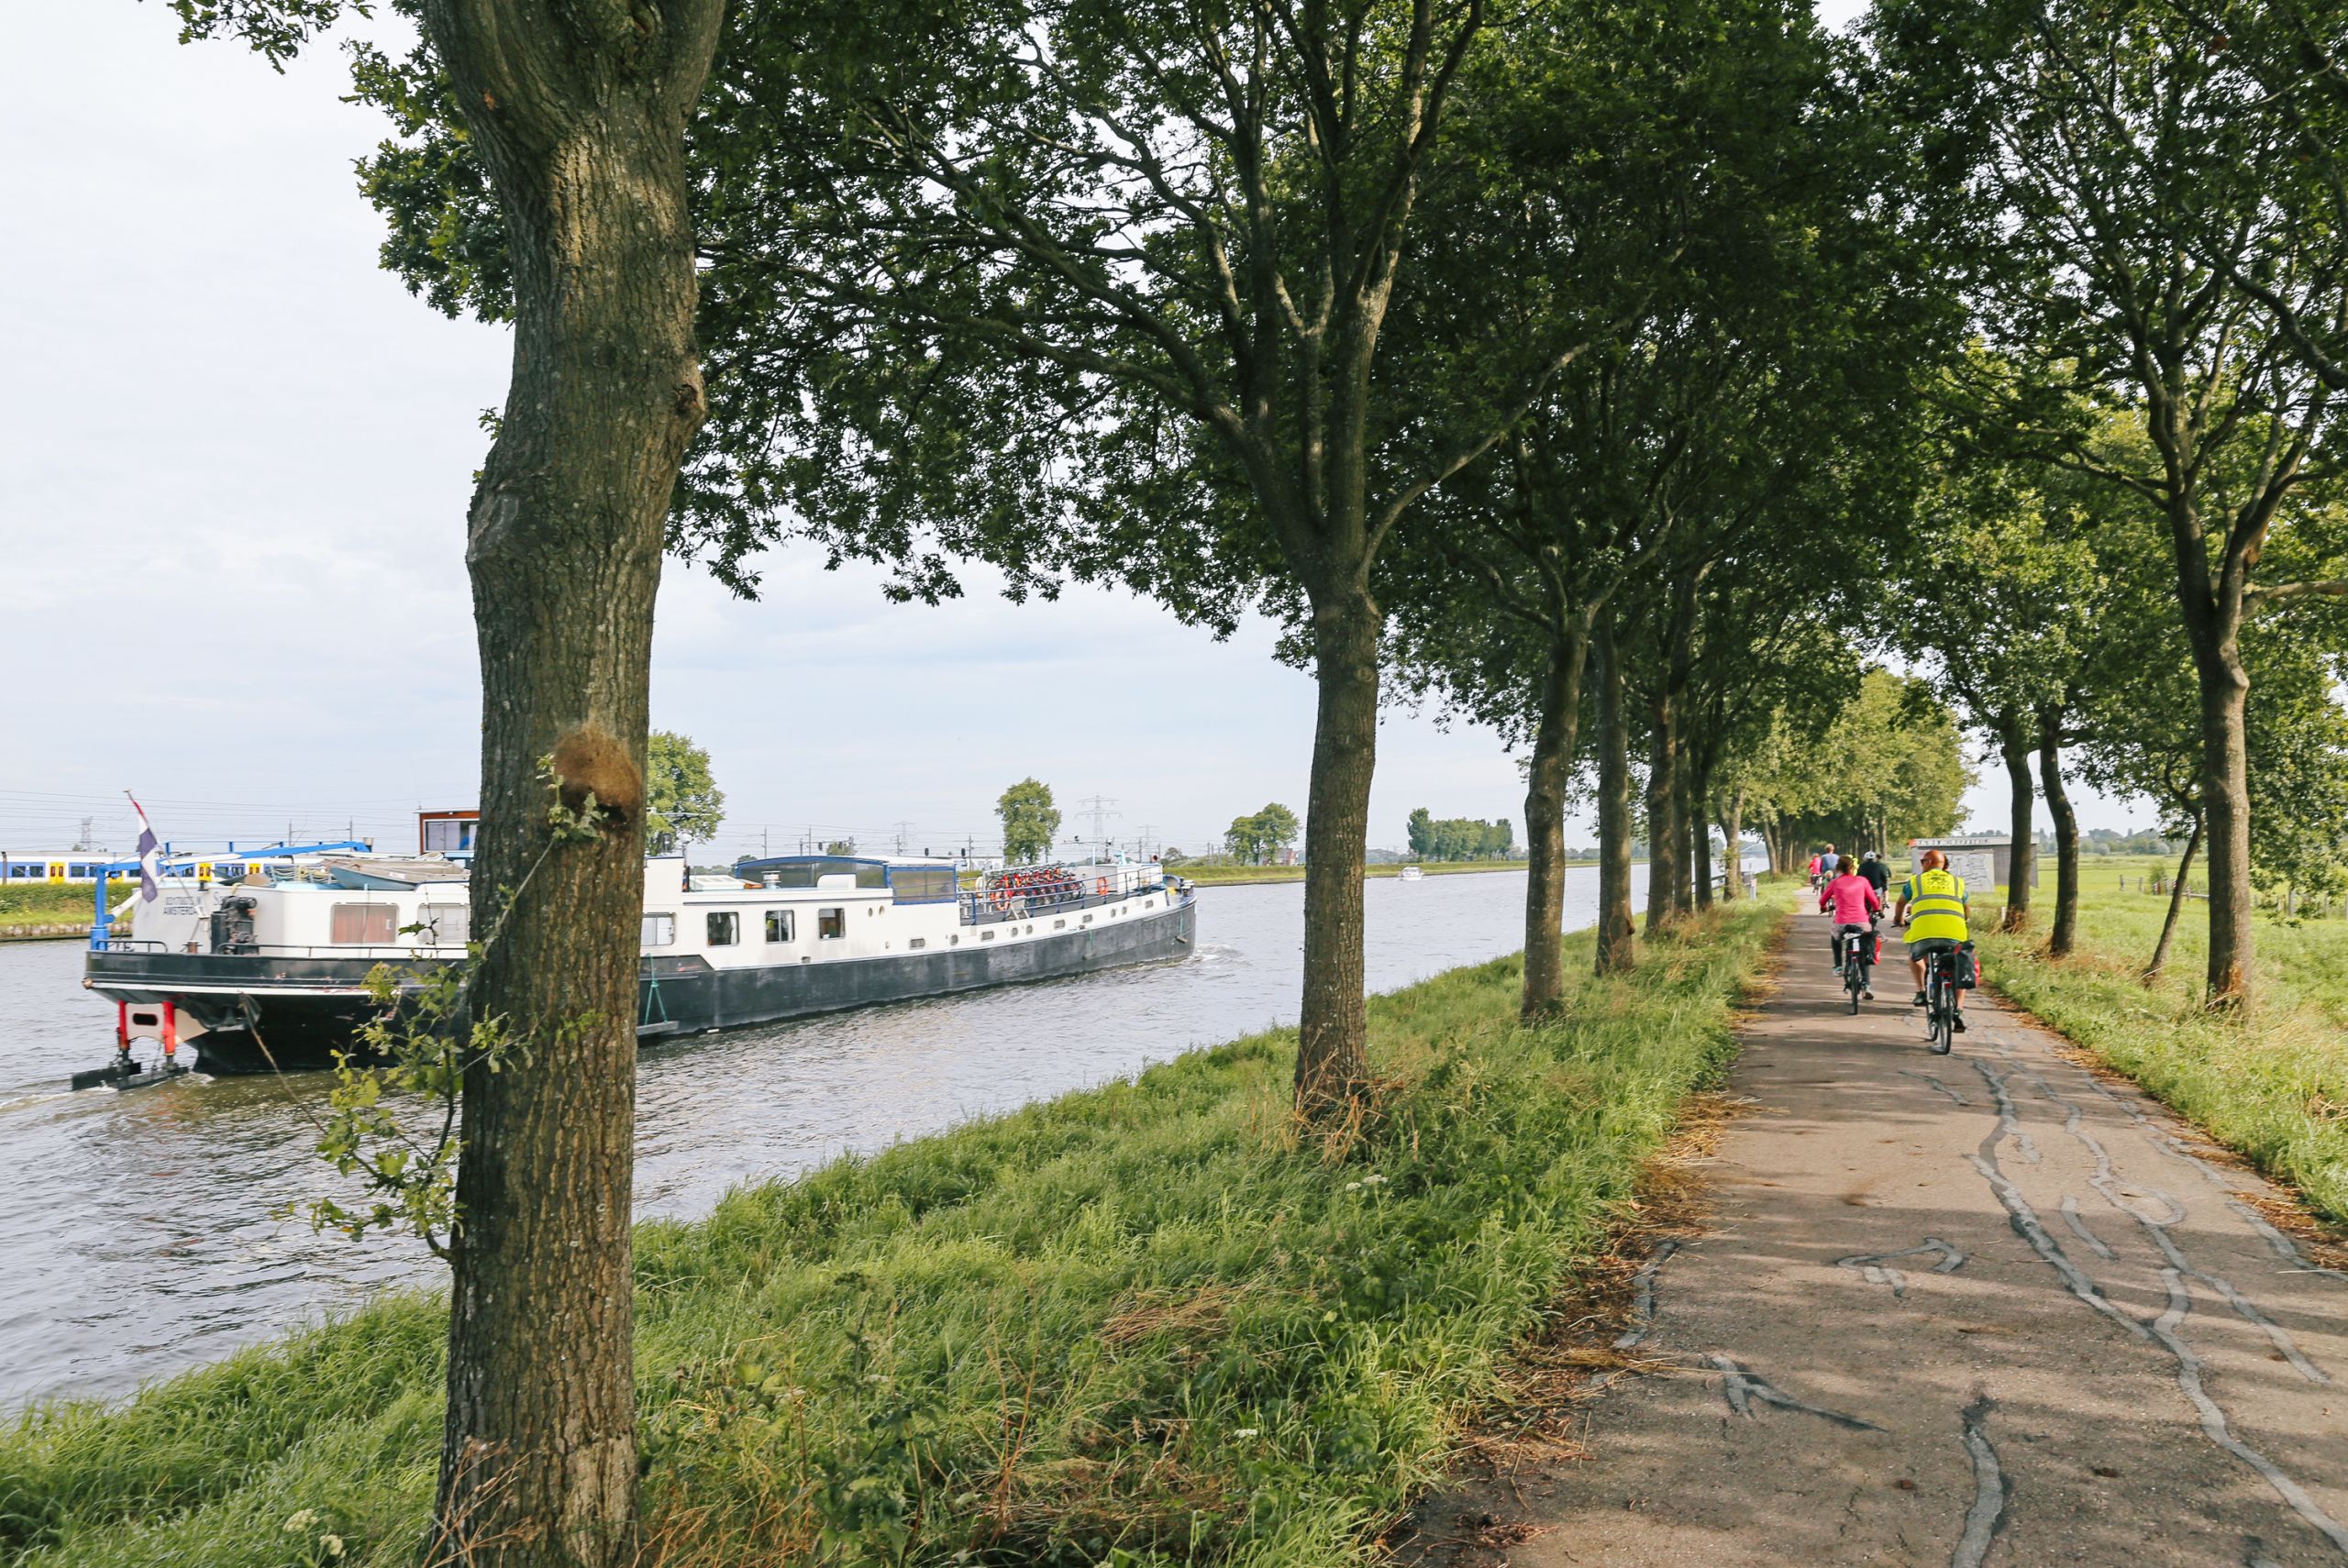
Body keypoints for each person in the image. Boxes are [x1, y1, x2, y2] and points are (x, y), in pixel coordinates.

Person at [1894, 849, 1978, 1034]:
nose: (1921, 864)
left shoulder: (1915, 881)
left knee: (1915, 957)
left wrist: (1898, 920)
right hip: (1955, 933)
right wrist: (1964, 921)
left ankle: (1921, 992)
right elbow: (1966, 908)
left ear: (1930, 862)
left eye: (1923, 861)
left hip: (1924, 933)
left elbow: (1900, 903)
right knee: (1959, 967)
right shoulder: (1958, 882)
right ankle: (1958, 1010)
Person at [1819, 859, 1884, 995]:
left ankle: (1838, 966)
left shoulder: (1835, 882)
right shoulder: (1862, 881)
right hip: (1862, 922)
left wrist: (1824, 907)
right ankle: (1866, 985)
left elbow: (1823, 899)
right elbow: (1873, 900)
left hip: (1842, 923)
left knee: (1835, 935)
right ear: (1853, 868)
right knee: (1864, 950)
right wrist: (1877, 909)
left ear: (1838, 868)